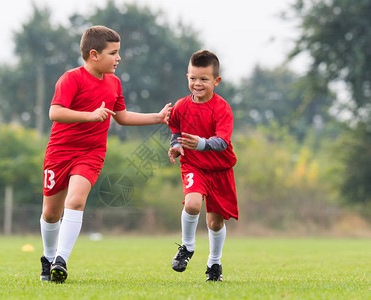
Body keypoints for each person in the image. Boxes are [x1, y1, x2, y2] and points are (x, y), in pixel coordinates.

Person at [39, 25, 171, 283]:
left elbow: (120, 117)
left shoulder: (114, 83)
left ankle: (60, 261)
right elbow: (55, 112)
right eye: (113, 53)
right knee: (51, 213)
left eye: (118, 52)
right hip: (59, 152)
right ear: (94, 54)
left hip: (91, 153)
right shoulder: (71, 79)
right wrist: (89, 116)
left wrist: (157, 117)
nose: (119, 58)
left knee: (76, 201)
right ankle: (47, 257)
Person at [168, 50, 237, 282]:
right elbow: (176, 130)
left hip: (220, 170)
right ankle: (187, 247)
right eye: (193, 78)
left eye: (204, 79)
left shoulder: (222, 108)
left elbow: (221, 142)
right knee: (193, 204)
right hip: (193, 166)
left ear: (216, 81)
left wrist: (200, 143)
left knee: (215, 223)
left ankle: (214, 263)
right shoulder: (180, 106)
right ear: (187, 76)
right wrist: (176, 145)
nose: (197, 84)